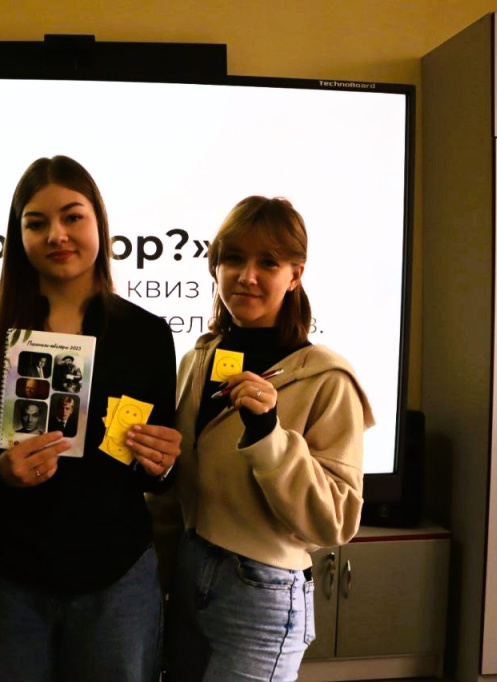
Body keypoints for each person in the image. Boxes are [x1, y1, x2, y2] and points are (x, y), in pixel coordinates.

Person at [0, 155, 183, 682]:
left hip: (116, 578)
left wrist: (164, 463)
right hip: (10, 580)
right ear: (18, 235)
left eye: (73, 216)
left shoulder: (146, 334)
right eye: (37, 223)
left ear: (99, 222)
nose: (57, 235)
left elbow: (158, 474)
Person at [152, 196, 374, 682]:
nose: (246, 276)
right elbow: (174, 494)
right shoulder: (197, 361)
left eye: (268, 263)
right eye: (233, 258)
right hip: (187, 576)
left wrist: (269, 435)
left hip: (262, 591)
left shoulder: (327, 378)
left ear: (295, 275)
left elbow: (337, 520)